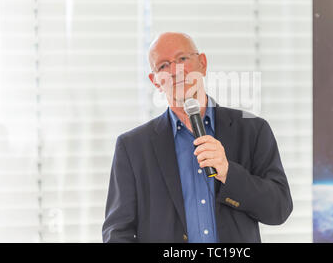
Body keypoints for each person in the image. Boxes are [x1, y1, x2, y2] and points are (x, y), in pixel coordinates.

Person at [102, 32, 293, 243]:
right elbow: (117, 233)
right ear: (155, 80)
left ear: (202, 63)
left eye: (183, 58)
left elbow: (279, 209)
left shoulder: (252, 129)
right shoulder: (132, 147)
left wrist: (229, 173)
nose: (175, 71)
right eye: (163, 66)